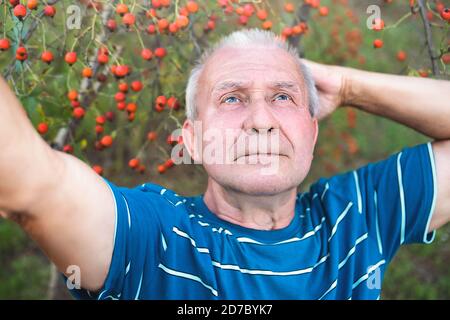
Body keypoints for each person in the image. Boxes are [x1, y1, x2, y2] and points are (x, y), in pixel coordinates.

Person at [0, 29, 449, 300]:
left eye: (283, 97)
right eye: (232, 98)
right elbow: (30, 182)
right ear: (191, 140)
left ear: (312, 131)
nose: (260, 121)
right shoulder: (153, 239)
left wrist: (349, 85)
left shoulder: (357, 216)